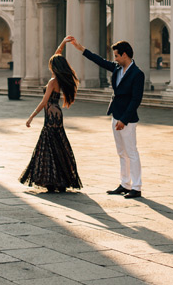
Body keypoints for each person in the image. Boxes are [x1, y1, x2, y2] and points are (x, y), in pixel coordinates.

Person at [66, 36, 144, 199]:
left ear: (125, 55)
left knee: (131, 152)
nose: (114, 59)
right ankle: (124, 184)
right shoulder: (117, 69)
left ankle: (136, 187)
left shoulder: (137, 74)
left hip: (127, 119)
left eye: (116, 55)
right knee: (121, 152)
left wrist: (124, 119)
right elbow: (100, 61)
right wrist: (81, 48)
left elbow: (136, 99)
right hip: (115, 115)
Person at [20, 38, 82, 193]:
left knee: (47, 146)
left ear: (53, 66)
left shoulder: (53, 81)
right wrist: (62, 43)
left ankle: (51, 180)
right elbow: (57, 57)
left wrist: (31, 116)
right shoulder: (60, 79)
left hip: (50, 115)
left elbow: (43, 102)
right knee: (59, 144)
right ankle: (61, 179)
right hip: (57, 114)